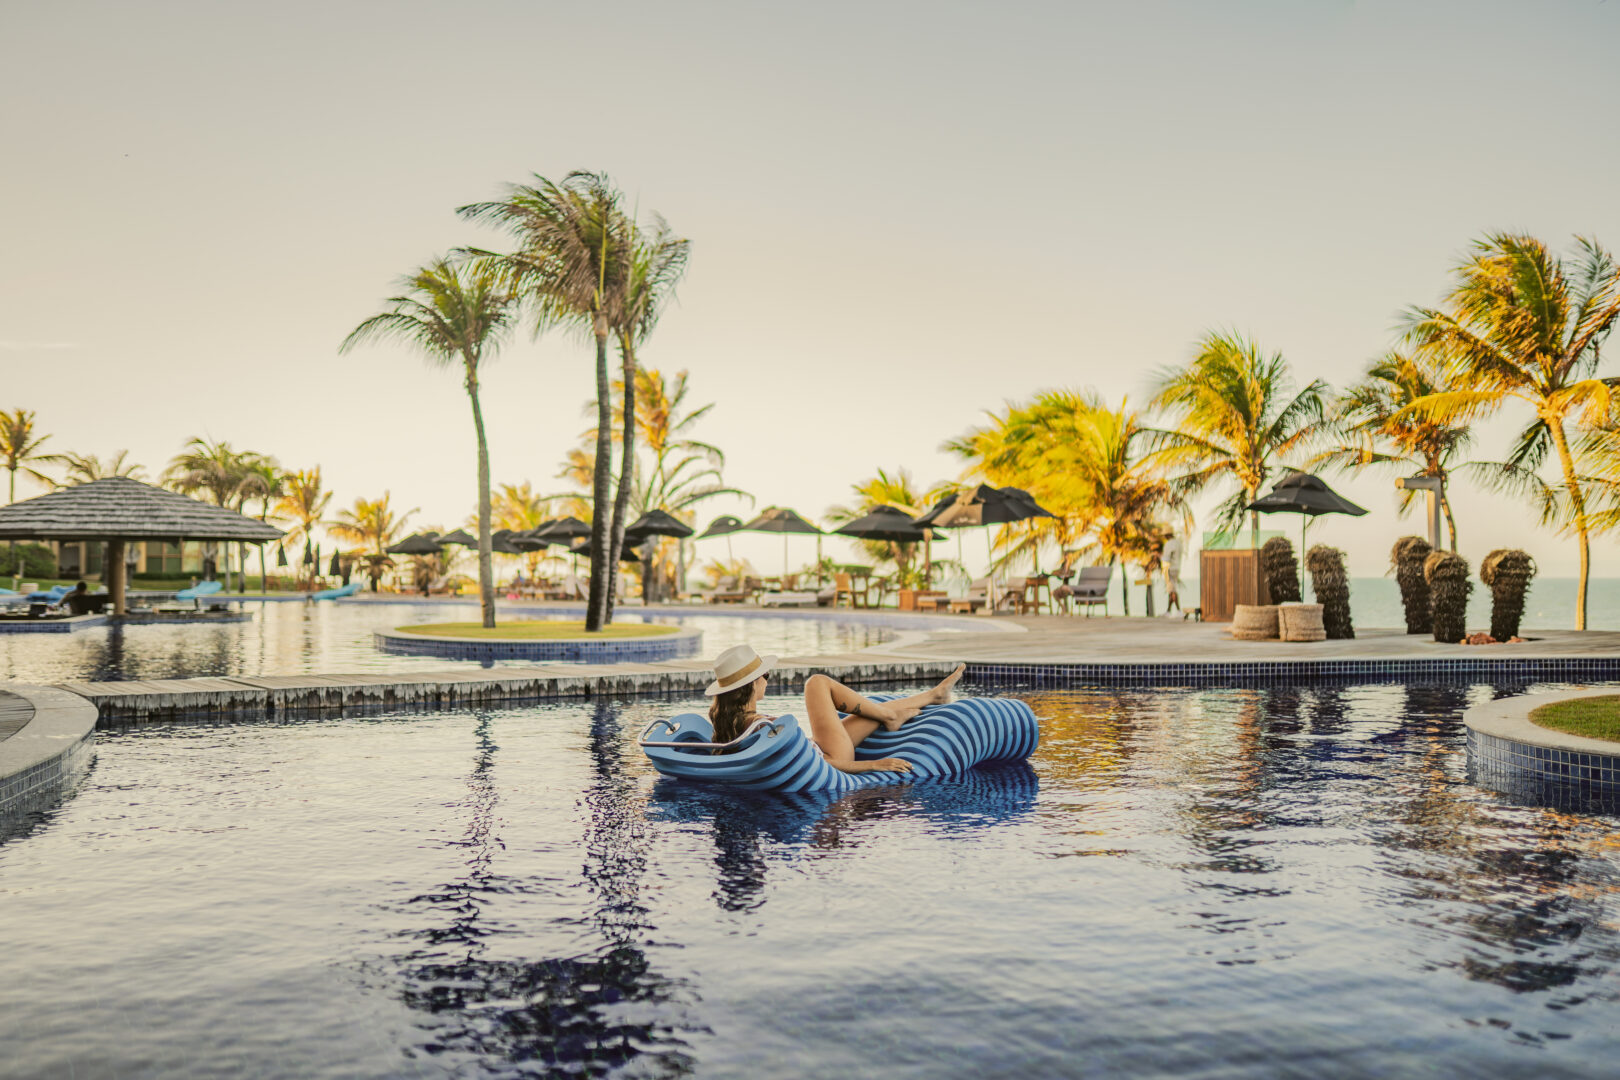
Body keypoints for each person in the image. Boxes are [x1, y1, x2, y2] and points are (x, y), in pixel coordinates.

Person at [704, 644, 965, 775]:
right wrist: (874, 764)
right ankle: (894, 714)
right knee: (816, 683)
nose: (767, 680)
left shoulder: (736, 723)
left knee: (872, 710)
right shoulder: (761, 726)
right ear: (750, 685)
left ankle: (933, 695)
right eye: (766, 675)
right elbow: (813, 764)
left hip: (818, 745)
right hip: (829, 755)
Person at [1161, 531, 1183, 616]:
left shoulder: (1169, 544)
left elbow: (1167, 557)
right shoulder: (1178, 543)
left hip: (1170, 568)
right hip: (1177, 568)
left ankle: (1178, 611)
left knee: (1172, 589)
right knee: (1171, 589)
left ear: (1167, 535)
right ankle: (1169, 611)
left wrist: (1163, 567)